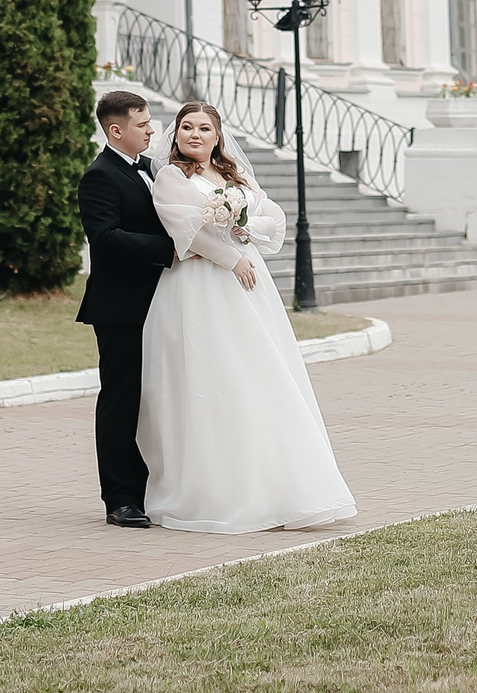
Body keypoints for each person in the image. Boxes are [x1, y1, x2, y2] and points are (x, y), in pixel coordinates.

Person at [136, 100, 356, 534]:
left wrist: (245, 229)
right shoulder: (170, 176)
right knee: (211, 377)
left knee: (260, 373)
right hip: (198, 286)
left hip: (249, 290)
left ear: (218, 135)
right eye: (186, 127)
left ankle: (279, 486)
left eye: (203, 128)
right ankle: (214, 490)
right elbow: (185, 227)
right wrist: (230, 257)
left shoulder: (233, 174)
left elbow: (271, 217)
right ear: (175, 134)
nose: (194, 135)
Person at [76, 89, 175, 529]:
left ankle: (154, 487)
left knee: (156, 396)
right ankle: (120, 497)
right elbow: (107, 238)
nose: (152, 129)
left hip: (160, 301)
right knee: (121, 399)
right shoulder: (99, 176)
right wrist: (170, 249)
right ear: (116, 130)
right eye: (143, 124)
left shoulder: (153, 170)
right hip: (120, 308)